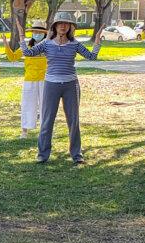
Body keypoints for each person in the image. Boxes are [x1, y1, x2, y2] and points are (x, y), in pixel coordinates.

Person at [16, 10, 102, 164]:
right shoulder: (47, 43)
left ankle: (77, 154)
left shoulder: (74, 44)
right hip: (51, 84)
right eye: (60, 23)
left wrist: (97, 41)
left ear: (70, 27)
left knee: (73, 120)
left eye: (66, 24)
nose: (63, 26)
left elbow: (92, 56)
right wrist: (21, 36)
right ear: (54, 26)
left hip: (71, 85)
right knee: (47, 120)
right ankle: (42, 154)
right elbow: (28, 53)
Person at [4, 20, 48, 139]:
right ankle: (24, 131)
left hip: (45, 80)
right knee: (27, 104)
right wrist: (6, 45)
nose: (37, 34)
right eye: (35, 32)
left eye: (39, 32)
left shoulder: (48, 47)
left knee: (45, 105)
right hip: (30, 80)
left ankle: (45, 130)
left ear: (44, 34)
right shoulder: (27, 47)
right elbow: (13, 57)